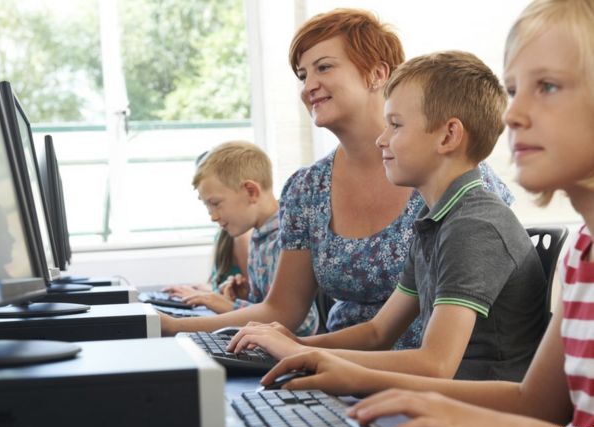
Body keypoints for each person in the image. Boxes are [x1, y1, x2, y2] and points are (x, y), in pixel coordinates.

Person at [260, 0, 594, 427]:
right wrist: (316, 355)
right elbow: (542, 409)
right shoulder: (581, 255)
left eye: (547, 86)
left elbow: (445, 368)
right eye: (513, 91)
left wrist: (365, 377)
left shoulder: (476, 223)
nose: (512, 115)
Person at [158, 9, 512, 343]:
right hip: (340, 361)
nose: (308, 85)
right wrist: (175, 327)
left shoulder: (453, 177)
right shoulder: (307, 188)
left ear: (377, 74)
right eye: (302, 75)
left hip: (424, 378)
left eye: (323, 67)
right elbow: (282, 310)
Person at [231, 50, 547, 382]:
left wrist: (305, 356)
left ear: (448, 136)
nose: (382, 139)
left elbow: (435, 365)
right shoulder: (435, 219)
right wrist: (295, 344)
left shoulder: (474, 226)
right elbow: (378, 332)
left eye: (395, 125)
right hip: (440, 399)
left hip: (479, 414)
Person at [166, 140, 318, 335]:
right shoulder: (259, 236)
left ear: (251, 191)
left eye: (215, 203)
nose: (212, 216)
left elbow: (304, 324)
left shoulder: (283, 240)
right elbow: (266, 307)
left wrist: (229, 308)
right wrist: (243, 298)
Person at [164, 229, 252, 313]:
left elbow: (250, 298)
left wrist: (203, 296)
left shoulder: (242, 237)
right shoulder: (224, 233)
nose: (213, 217)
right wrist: (206, 290)